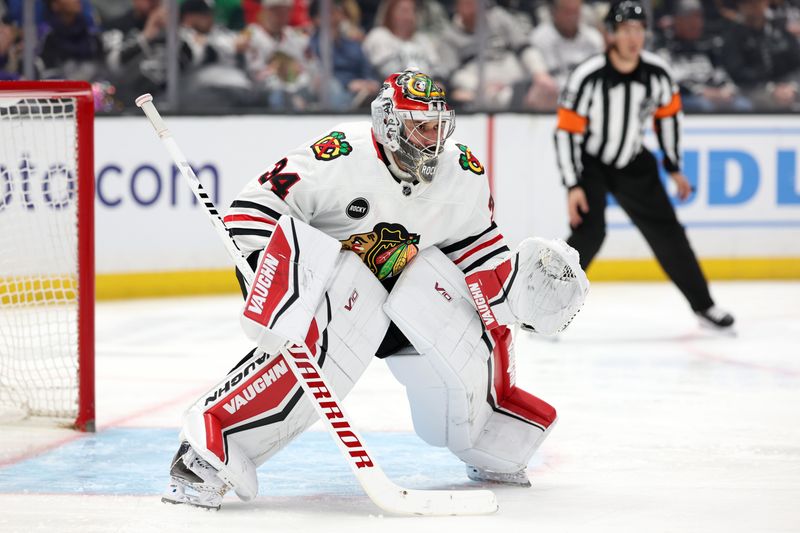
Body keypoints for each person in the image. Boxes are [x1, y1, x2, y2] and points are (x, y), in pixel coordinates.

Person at [160, 68, 588, 509]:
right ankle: (207, 452)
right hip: (330, 291)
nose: (432, 139)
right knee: (332, 330)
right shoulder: (338, 157)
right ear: (388, 123)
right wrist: (277, 279)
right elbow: (250, 214)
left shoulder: (462, 173)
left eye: (438, 127)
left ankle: (484, 431)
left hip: (405, 290)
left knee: (468, 329)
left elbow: (478, 250)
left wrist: (515, 291)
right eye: (419, 126)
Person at [553, 0, 735, 329]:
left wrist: (674, 166)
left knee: (669, 234)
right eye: (624, 30)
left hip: (634, 161)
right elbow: (566, 132)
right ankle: (546, 309)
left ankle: (704, 306)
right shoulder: (588, 76)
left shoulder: (658, 73)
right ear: (611, 34)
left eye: (638, 29)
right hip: (592, 163)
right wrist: (573, 185)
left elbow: (669, 120)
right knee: (589, 233)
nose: (632, 37)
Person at [654, 0, 751, 112]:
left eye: (699, 17)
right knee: (703, 106)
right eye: (689, 18)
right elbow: (671, 82)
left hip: (714, 96)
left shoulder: (709, 47)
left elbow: (721, 74)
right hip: (686, 99)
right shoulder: (665, 49)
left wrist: (728, 90)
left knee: (743, 104)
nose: (696, 23)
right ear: (677, 20)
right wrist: (702, 92)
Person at [720, 0, 800, 111]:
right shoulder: (733, 35)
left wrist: (793, 86)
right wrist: (771, 88)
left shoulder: (779, 29)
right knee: (768, 102)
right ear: (741, 7)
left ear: (765, 3)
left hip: (787, 85)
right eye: (749, 4)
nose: (755, 8)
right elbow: (737, 72)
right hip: (754, 89)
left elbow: (796, 62)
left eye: (758, 3)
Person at [527, 0, 604, 111]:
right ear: (554, 12)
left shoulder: (593, 38)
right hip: (553, 101)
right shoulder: (539, 38)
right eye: (567, 11)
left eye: (575, 11)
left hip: (588, 98)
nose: (572, 16)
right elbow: (541, 78)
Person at [362, 0, 448, 80]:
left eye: (412, 11)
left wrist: (438, 83)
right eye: (403, 11)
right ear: (390, 13)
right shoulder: (379, 35)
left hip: (426, 91)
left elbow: (438, 70)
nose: (409, 16)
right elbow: (384, 72)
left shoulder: (423, 40)